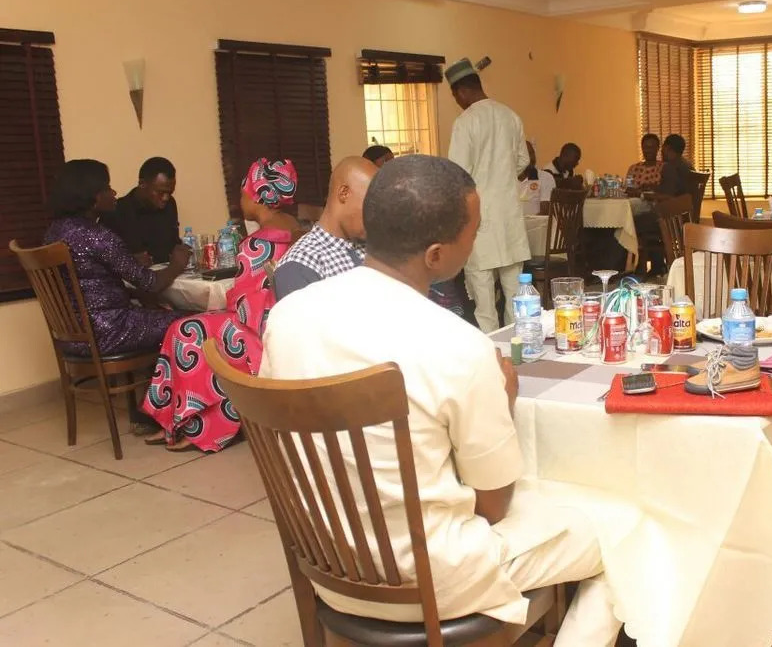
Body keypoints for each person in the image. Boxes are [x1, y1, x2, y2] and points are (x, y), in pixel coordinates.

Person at [260, 155, 622, 645]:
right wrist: (504, 402)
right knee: (622, 532)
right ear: (435, 256)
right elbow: (493, 506)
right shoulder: (459, 346)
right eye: (473, 233)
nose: (475, 242)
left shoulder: (289, 316)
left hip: (327, 564)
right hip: (432, 580)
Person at [143, 158, 303, 452]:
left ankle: (192, 425)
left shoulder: (257, 243)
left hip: (258, 329)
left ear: (257, 195)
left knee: (186, 331)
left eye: (243, 192)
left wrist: (224, 304)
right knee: (195, 324)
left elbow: (244, 305)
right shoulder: (293, 228)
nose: (241, 200)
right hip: (282, 321)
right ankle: (179, 421)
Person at [44, 159, 189, 357]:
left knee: (163, 311)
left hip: (73, 339)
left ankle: (163, 374)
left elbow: (88, 288)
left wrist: (134, 293)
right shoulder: (98, 236)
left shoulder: (54, 232)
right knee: (195, 321)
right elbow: (151, 283)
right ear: (93, 196)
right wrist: (177, 264)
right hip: (110, 331)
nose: (113, 193)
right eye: (107, 188)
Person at [446, 57, 531, 332]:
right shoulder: (510, 116)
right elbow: (523, 160)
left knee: (484, 305)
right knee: (517, 298)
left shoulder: (466, 121)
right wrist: (501, 175)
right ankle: (520, 349)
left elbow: (458, 174)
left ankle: (493, 354)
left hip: (479, 222)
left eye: (455, 97)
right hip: (510, 219)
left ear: (460, 91)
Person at [272, 157, 376, 301]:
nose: (376, 216)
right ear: (344, 193)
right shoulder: (299, 268)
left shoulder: (376, 249)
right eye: (371, 205)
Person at [101, 156, 182, 265]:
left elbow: (174, 244)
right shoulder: (116, 211)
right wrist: (130, 261)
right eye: (161, 192)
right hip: (133, 275)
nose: (165, 198)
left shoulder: (170, 204)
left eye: (170, 193)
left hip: (168, 272)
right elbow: (105, 258)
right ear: (142, 184)